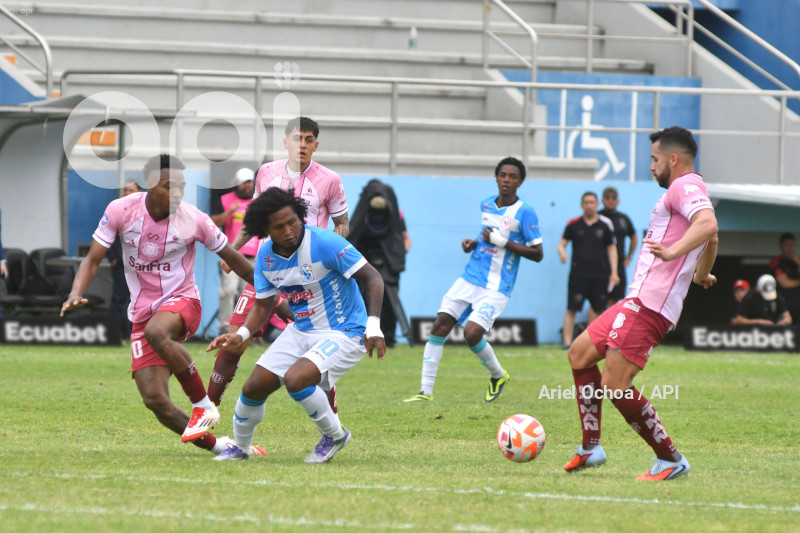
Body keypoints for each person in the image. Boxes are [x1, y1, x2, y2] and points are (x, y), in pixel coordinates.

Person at [60, 154, 263, 456]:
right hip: (142, 314)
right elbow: (93, 259)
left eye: (182, 187)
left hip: (184, 302)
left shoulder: (194, 219)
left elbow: (234, 259)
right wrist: (75, 291)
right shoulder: (121, 210)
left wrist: (271, 295)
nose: (178, 194)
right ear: (151, 186)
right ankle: (223, 446)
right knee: (155, 400)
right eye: (170, 186)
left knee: (158, 330)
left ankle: (203, 405)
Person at [563, 126, 718, 481]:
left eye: (655, 159)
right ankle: (591, 447)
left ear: (673, 159)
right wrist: (699, 274)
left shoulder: (684, 184)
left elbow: (707, 224)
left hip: (649, 306)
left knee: (614, 384)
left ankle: (670, 458)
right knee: (580, 353)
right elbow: (713, 236)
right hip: (636, 300)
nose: (651, 166)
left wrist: (674, 251)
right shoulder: (687, 190)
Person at [207, 187, 386, 462]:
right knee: (252, 388)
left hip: (346, 331)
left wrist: (373, 325)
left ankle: (335, 436)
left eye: (292, 221)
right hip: (301, 330)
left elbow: (373, 278)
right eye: (279, 227)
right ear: (265, 230)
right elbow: (264, 305)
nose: (289, 230)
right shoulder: (266, 258)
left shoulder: (326, 243)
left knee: (296, 380)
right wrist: (242, 334)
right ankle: (240, 449)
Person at [208, 116, 349, 410]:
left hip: (311, 275)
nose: (302, 145)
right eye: (297, 138)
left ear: (316, 145)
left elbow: (342, 224)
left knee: (317, 347)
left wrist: (335, 259)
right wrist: (232, 252)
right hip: (270, 268)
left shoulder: (330, 180)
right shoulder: (267, 172)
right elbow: (255, 218)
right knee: (236, 336)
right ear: (285, 142)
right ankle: (208, 407)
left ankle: (331, 420)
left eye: (309, 140)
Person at [404, 156, 543, 403]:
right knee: (440, 325)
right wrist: (473, 243)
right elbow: (485, 237)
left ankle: (498, 375)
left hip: (498, 286)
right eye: (503, 175)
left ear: (520, 181)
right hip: (470, 277)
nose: (507, 180)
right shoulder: (486, 204)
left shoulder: (526, 212)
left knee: (472, 333)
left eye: (513, 176)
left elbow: (538, 254)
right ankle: (425, 392)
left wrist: (503, 243)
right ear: (496, 177)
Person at [348, 179, 411, 347]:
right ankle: (360, 335)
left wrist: (399, 253)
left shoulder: (395, 215)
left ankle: (389, 337)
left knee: (390, 303)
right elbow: (354, 234)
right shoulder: (363, 213)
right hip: (366, 257)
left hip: (387, 262)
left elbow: (405, 238)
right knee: (361, 298)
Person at [558, 192, 619, 348]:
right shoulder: (573, 224)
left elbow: (612, 248)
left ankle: (593, 343)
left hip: (600, 275)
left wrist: (614, 272)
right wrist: (562, 252)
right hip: (578, 275)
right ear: (582, 205)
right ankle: (566, 343)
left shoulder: (605, 225)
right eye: (586, 202)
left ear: (597, 205)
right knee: (571, 309)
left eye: (592, 202)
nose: (589, 205)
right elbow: (562, 243)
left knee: (599, 311)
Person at [210, 167, 258, 334]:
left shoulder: (258, 201)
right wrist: (230, 211)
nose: (247, 186)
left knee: (250, 294)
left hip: (254, 256)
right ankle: (225, 328)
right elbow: (213, 223)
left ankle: (247, 331)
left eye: (250, 182)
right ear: (237, 184)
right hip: (232, 256)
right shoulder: (225, 200)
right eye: (244, 183)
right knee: (228, 291)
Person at [106, 180, 143, 339]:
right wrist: (112, 257)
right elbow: (107, 235)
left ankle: (133, 334)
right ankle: (114, 335)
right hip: (121, 264)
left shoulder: (146, 213)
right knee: (119, 298)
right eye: (125, 190)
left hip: (140, 266)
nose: (127, 193)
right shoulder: (117, 210)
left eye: (131, 190)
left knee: (137, 299)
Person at [598, 186, 638, 306]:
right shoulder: (598, 217)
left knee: (614, 298)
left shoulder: (623, 219)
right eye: (607, 197)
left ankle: (610, 324)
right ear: (602, 200)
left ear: (618, 201)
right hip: (600, 263)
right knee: (598, 299)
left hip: (619, 263)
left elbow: (634, 237)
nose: (610, 200)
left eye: (613, 197)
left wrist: (629, 256)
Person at [770, 233, 800, 324]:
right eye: (787, 245)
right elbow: (785, 283)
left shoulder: (797, 260)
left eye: (792, 245)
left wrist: (798, 262)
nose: (789, 248)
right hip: (784, 306)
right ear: (781, 246)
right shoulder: (776, 262)